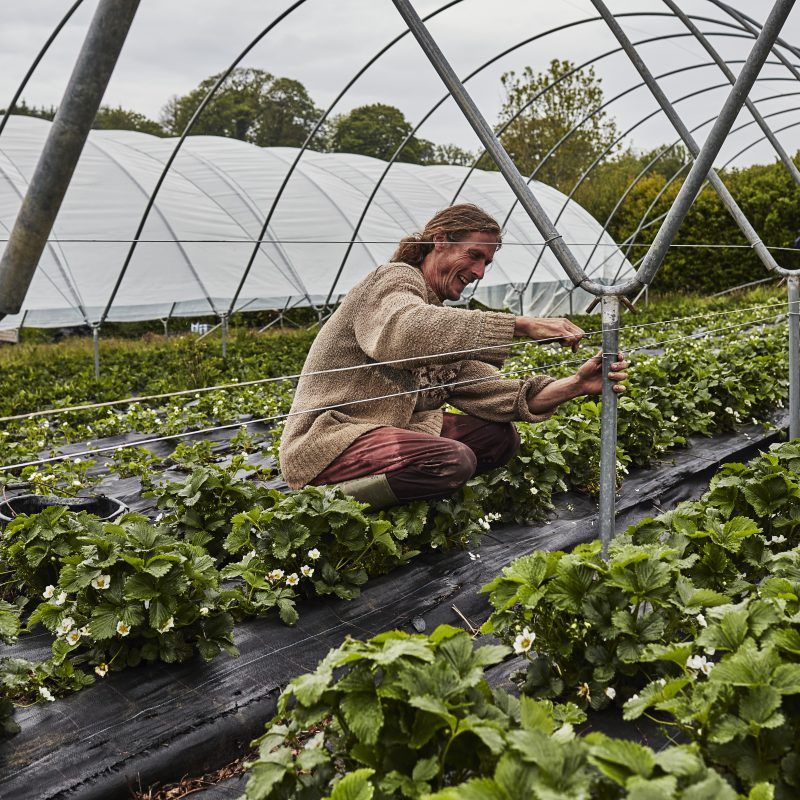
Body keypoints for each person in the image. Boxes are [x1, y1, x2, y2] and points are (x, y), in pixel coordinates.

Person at [279, 204, 628, 508]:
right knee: (450, 460)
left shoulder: (442, 322)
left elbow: (497, 395)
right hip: (330, 438)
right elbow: (403, 331)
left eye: (486, 263)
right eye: (474, 255)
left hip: (388, 431)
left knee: (499, 439)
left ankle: (407, 495)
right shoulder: (394, 280)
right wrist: (520, 325)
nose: (479, 272)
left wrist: (576, 385)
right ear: (440, 240)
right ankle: (328, 507)